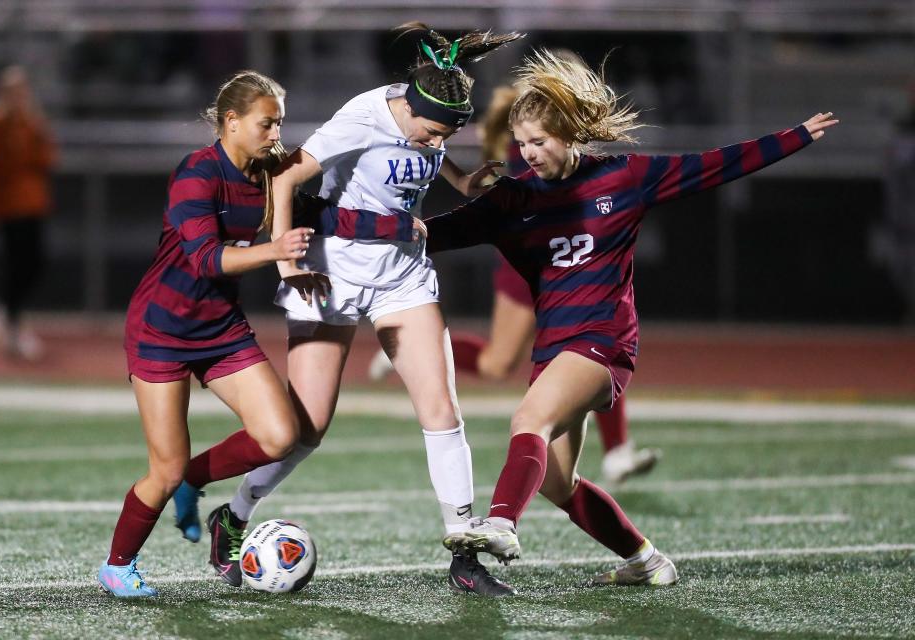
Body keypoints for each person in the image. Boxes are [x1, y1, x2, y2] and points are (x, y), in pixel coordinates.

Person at [323, 49, 838, 587]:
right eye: (522, 143)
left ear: (571, 135)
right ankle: (646, 560)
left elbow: (714, 166)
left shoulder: (624, 178)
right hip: (554, 348)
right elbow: (431, 233)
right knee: (558, 483)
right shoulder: (514, 198)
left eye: (540, 142)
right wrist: (329, 218)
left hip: (602, 341)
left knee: (528, 422)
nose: (529, 153)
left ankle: (500, 522)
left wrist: (795, 136)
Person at [191, 24, 524, 597]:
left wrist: (460, 178)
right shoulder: (364, 115)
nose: (431, 142)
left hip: (403, 276)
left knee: (441, 408)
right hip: (332, 275)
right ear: (407, 110)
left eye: (442, 136)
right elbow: (287, 174)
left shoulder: (427, 112)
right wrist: (286, 262)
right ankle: (235, 513)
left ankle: (465, 555)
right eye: (429, 132)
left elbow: (427, 148)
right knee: (308, 428)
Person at [368, 81, 659, 485]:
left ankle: (616, 450)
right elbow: (497, 195)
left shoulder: (560, 141)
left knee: (593, 347)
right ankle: (424, 350)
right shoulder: (520, 138)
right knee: (498, 362)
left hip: (574, 256)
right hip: (534, 259)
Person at [97, 70, 315, 598]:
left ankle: (195, 480)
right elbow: (206, 259)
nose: (275, 133)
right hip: (162, 330)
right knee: (163, 470)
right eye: (267, 124)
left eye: (280, 124)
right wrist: (276, 251)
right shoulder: (196, 174)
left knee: (280, 435)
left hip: (220, 327)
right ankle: (117, 566)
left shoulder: (270, 172)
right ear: (231, 122)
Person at [0, 65, 57, 360]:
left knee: (34, 262)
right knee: (15, 264)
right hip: (9, 206)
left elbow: (47, 157)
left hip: (32, 203)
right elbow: (8, 161)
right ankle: (11, 319)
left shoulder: (31, 122)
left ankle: (7, 313)